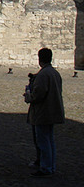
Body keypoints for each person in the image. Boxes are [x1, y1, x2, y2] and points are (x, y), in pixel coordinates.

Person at [25, 47, 65, 176]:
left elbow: (39, 95)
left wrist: (28, 96)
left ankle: (46, 167)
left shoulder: (43, 74)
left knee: (43, 141)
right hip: (52, 111)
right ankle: (50, 165)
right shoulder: (54, 73)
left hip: (43, 112)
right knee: (50, 140)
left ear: (39, 59)